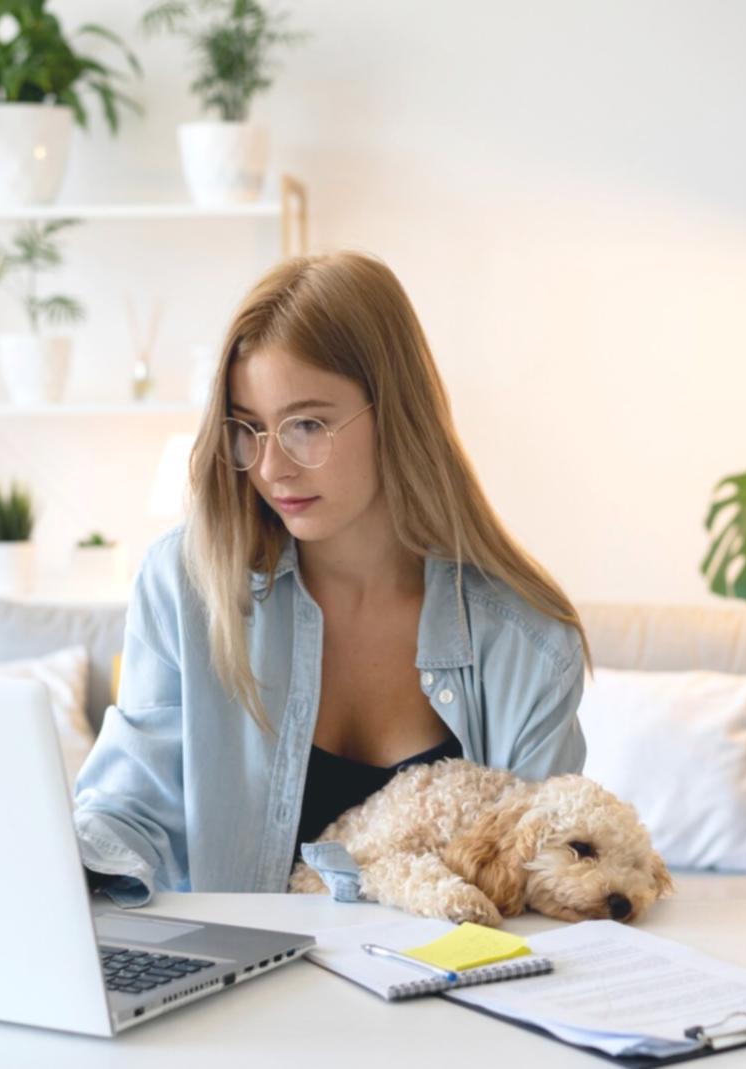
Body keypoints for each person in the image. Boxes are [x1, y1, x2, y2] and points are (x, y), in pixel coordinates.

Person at [73, 250, 591, 907]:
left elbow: (542, 883)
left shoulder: (530, 642)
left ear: (395, 413)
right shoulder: (187, 583)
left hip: (450, 1002)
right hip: (240, 998)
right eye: (250, 428)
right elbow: (129, 809)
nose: (271, 468)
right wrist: (57, 861)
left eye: (307, 425)